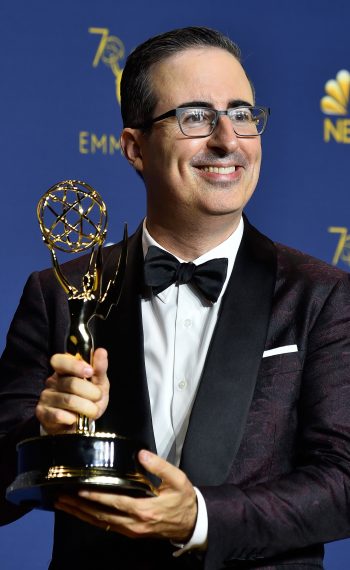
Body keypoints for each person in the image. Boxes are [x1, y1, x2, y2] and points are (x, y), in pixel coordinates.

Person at [1, 26, 350, 570]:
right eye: (194, 116)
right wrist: (43, 434)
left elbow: (344, 481)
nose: (227, 140)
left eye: (241, 113)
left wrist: (201, 518)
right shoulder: (56, 294)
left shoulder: (322, 295)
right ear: (134, 146)